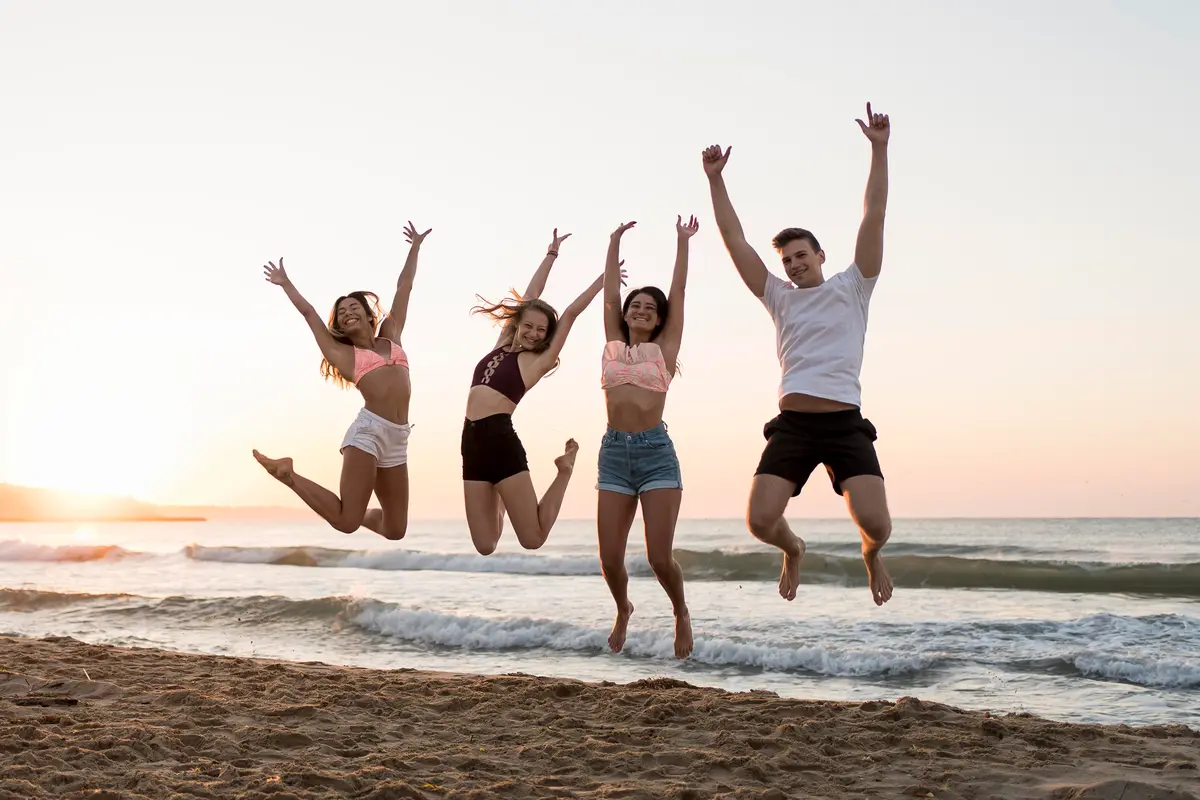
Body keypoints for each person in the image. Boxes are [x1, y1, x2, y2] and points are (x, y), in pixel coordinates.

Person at [702, 102, 896, 607]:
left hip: (844, 423)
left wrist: (879, 150)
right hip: (794, 425)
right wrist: (716, 180)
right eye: (786, 260)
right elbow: (732, 239)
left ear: (821, 255)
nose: (792, 266)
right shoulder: (778, 296)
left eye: (801, 256)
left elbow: (873, 214)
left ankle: (871, 555)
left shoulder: (854, 287)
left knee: (878, 524)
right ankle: (794, 548)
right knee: (760, 520)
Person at [252, 221, 432, 541]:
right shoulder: (343, 355)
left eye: (354, 307)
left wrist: (415, 247)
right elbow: (309, 313)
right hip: (368, 433)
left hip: (398, 437)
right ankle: (288, 474)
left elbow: (404, 287)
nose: (348, 312)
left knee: (395, 529)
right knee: (345, 523)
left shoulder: (391, 335)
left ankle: (357, 510)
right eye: (342, 311)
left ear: (367, 314)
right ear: (340, 324)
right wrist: (285, 282)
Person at [462, 229, 622, 555]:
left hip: (500, 441)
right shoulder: (503, 344)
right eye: (529, 325)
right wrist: (551, 255)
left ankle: (565, 470)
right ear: (518, 323)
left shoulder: (538, 361)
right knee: (485, 545)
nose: (534, 333)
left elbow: (572, 313)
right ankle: (506, 498)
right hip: (471, 441)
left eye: (541, 330)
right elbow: (532, 295)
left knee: (532, 539)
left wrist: (604, 279)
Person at [596, 216, 698, 660]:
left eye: (648, 308)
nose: (639, 310)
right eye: (634, 305)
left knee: (659, 557)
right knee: (610, 559)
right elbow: (608, 297)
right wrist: (614, 241)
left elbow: (678, 294)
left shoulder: (665, 350)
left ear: (658, 320)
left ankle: (680, 611)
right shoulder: (613, 345)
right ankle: (623, 608)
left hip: (656, 455)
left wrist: (682, 242)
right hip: (614, 455)